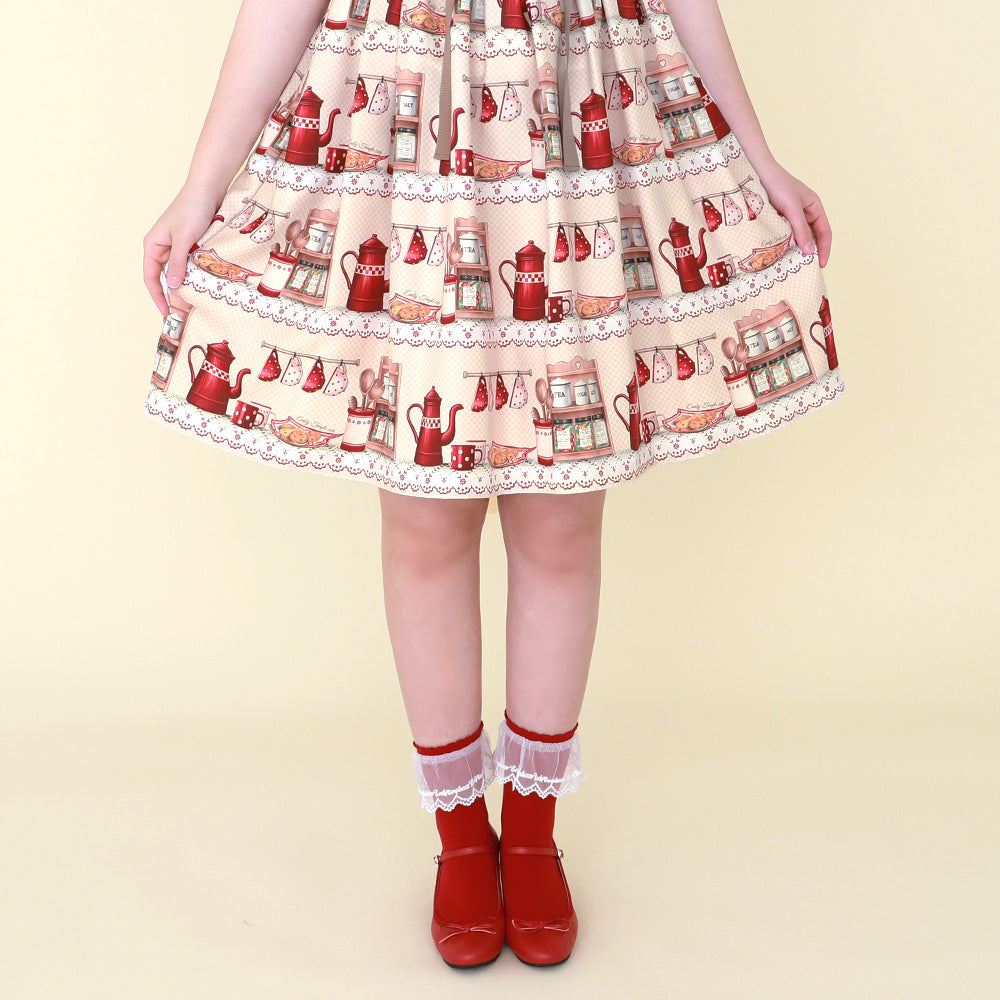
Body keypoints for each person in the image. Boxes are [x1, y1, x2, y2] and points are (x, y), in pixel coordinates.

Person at [142, 0, 839, 969]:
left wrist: (760, 159)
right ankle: (463, 837)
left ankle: (535, 829)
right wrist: (201, 185)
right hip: (409, 141)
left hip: (575, 126)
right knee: (426, 522)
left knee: (561, 522)